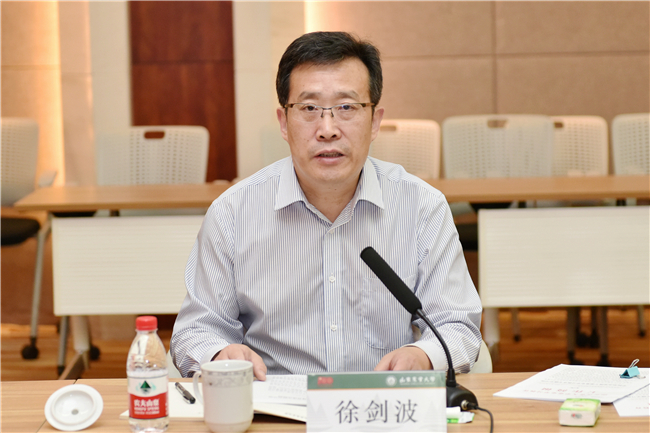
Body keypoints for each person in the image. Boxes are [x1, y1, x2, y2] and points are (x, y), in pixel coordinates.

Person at [171, 31, 482, 379]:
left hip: (382, 399)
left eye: (347, 107)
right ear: (283, 123)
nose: (328, 129)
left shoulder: (421, 207)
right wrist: (219, 352)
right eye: (309, 108)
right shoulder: (233, 213)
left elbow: (458, 326)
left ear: (375, 121)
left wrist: (422, 355)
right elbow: (195, 331)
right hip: (275, 403)